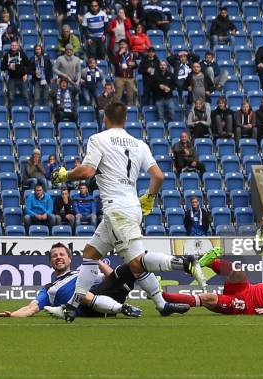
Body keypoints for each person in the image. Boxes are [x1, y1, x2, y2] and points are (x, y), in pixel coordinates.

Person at [48, 101, 210, 321]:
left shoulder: (98, 139)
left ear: (105, 118)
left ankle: (184, 262)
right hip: (130, 207)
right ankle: (71, 307)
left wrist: (64, 175)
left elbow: (87, 171)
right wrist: (150, 198)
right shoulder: (139, 144)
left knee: (136, 262)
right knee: (90, 254)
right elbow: (159, 176)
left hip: (117, 210)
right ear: (125, 119)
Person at [0, 243, 142, 318]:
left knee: (129, 267)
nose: (58, 257)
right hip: (87, 309)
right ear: (51, 262)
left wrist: (96, 261)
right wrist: (12, 315)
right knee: (80, 294)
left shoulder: (82, 273)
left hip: (106, 297)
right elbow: (31, 308)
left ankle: (161, 302)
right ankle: (122, 309)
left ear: (69, 259)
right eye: (54, 256)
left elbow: (112, 277)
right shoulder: (49, 288)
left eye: (62, 254)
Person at [163, 249, 263, 316]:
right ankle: (205, 262)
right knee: (238, 272)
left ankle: (160, 295)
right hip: (247, 289)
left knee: (207, 298)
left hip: (246, 303)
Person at [1, 41, 30, 106]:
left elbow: (28, 65)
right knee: (11, 96)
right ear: (10, 46)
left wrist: (26, 74)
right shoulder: (7, 55)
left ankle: (30, 113)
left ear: (18, 46)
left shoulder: (22, 54)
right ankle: (10, 114)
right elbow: (2, 67)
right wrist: (8, 66)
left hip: (22, 77)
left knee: (26, 95)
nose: (14, 47)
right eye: (12, 45)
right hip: (12, 78)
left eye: (15, 45)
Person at [112, 39, 137, 105]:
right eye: (120, 44)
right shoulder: (117, 53)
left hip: (130, 77)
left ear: (127, 45)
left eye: (123, 44)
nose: (122, 46)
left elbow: (136, 65)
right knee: (117, 95)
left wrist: (133, 64)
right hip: (120, 77)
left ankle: (131, 110)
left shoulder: (131, 54)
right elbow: (114, 62)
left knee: (130, 96)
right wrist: (119, 53)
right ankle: (115, 109)